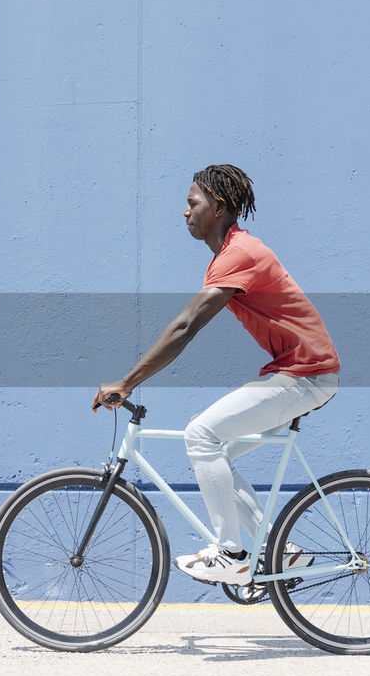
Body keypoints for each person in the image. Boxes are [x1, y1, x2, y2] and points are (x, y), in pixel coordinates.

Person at [92, 164, 340, 586]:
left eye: (192, 203)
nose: (184, 212)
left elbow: (186, 326)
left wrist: (127, 382)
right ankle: (279, 548)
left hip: (305, 374)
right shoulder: (230, 255)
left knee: (201, 435)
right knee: (215, 451)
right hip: (297, 373)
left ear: (218, 206)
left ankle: (231, 553)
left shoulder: (240, 254)